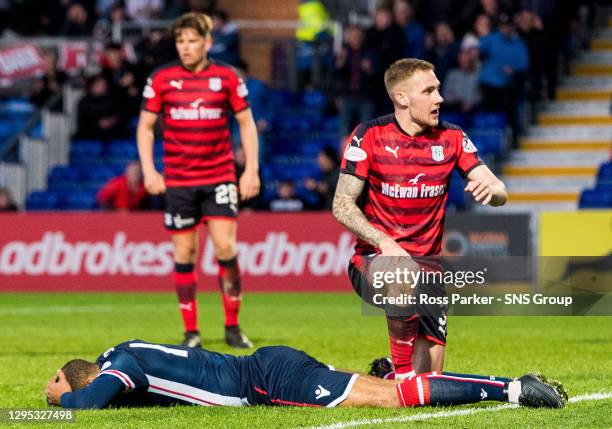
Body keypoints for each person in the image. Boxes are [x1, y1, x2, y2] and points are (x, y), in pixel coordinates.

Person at [332, 59, 507, 380]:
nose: (439, 98)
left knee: (432, 379)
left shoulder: (452, 137)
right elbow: (341, 204)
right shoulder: (369, 136)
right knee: (402, 274)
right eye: (429, 91)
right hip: (374, 260)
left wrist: (493, 189)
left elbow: (499, 191)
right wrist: (384, 241)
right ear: (401, 98)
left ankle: (389, 372)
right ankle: (401, 376)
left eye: (438, 89)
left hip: (429, 270)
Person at [136, 13, 260, 349]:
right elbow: (145, 127)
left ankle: (232, 326)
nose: (186, 48)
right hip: (178, 180)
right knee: (185, 252)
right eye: (180, 41)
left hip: (219, 175)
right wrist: (149, 170)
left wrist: (250, 170)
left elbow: (247, 124)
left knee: (225, 247)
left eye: (192, 41)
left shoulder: (226, 77)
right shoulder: (161, 78)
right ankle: (191, 332)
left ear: (207, 43)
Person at [45, 339, 567, 410]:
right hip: (268, 365)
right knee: (384, 386)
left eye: (58, 384)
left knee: (393, 399)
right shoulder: (123, 352)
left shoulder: (117, 369)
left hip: (267, 383)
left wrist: (40, 410)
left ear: (81, 376)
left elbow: (88, 406)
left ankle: (515, 388)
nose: (53, 392)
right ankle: (382, 368)